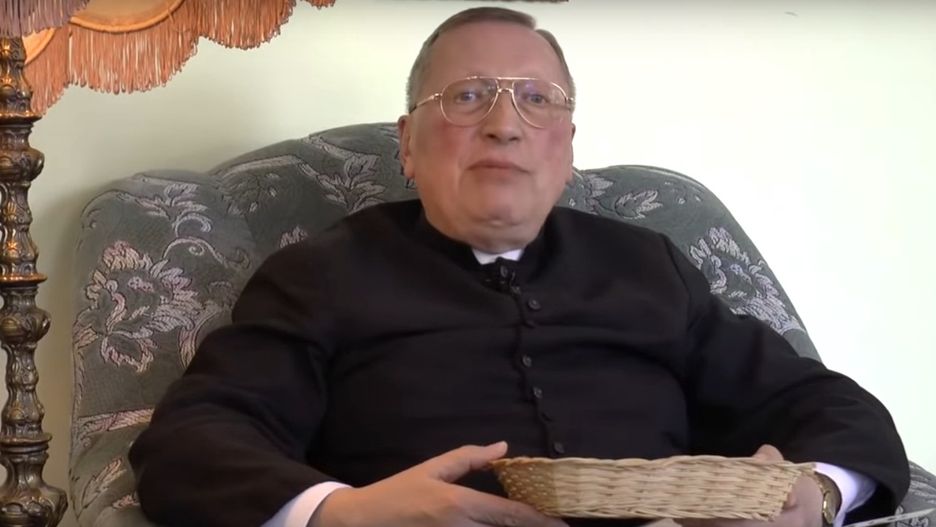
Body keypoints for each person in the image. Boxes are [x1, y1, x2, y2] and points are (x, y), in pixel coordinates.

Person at [128, 7, 909, 527]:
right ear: (407, 143)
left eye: (537, 99)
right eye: (468, 96)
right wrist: (344, 511)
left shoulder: (649, 267)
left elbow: (826, 405)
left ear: (566, 149)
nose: (504, 124)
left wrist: (818, 492)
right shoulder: (323, 273)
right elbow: (193, 441)